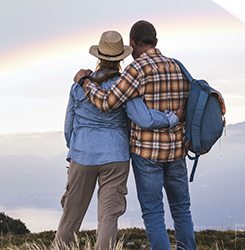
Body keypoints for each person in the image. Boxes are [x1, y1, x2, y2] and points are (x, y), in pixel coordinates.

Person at [74, 20, 197, 250]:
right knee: (181, 208)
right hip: (177, 151)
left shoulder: (136, 69)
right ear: (156, 42)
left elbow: (107, 101)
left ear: (131, 43)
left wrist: (85, 83)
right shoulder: (177, 67)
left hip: (147, 153)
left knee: (153, 212)